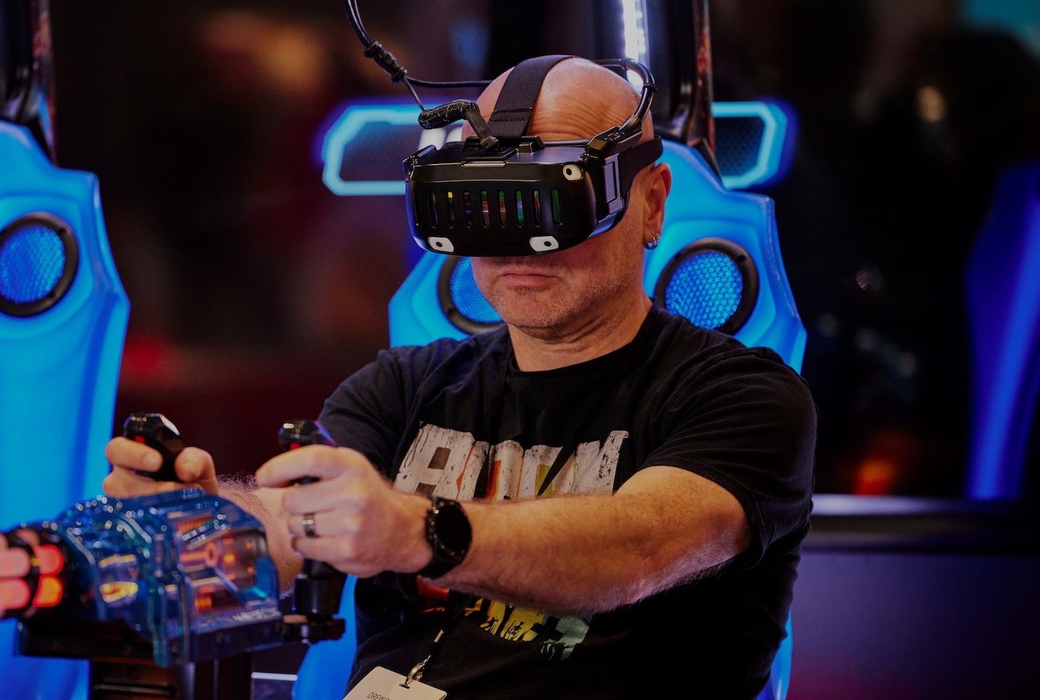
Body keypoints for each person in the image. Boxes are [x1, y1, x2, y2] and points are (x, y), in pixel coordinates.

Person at [105, 56, 816, 698]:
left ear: (651, 204)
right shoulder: (402, 386)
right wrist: (195, 520)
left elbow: (635, 548)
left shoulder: (741, 397)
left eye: (553, 200)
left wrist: (423, 532)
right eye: (487, 204)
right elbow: (296, 523)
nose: (517, 244)